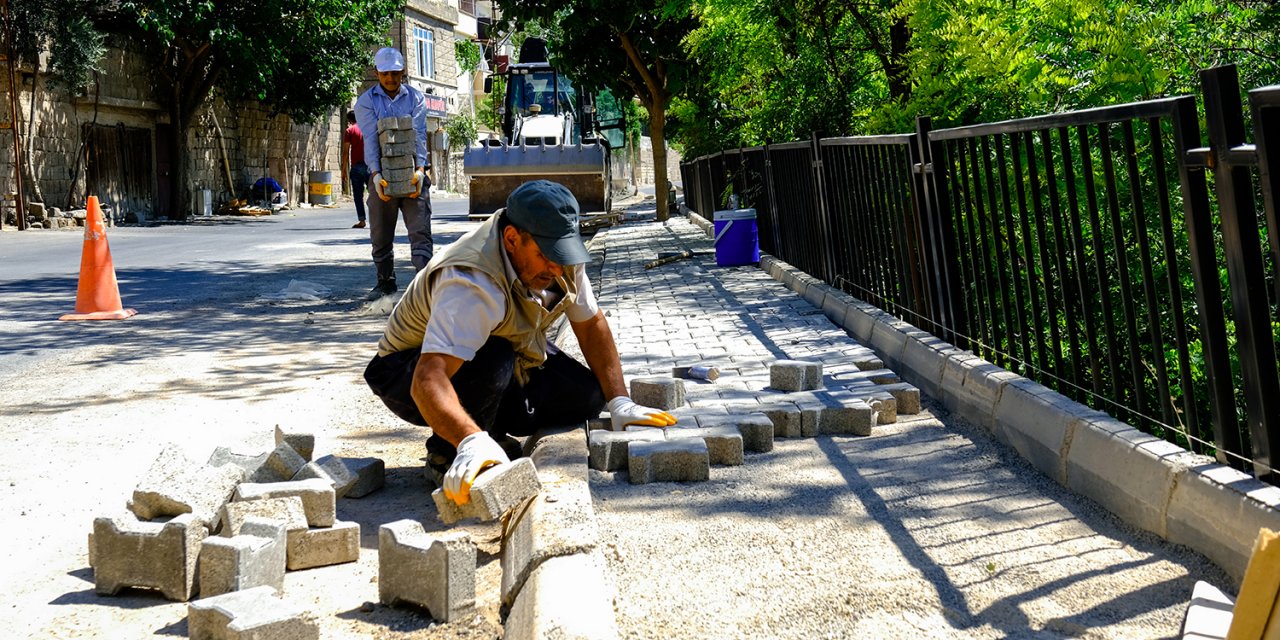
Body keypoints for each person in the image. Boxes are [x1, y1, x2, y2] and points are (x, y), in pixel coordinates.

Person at [364, 180, 677, 506]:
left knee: (586, 395)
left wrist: (619, 402)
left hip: (502, 349)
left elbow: (591, 324)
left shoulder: (561, 257)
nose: (557, 268)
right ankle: (450, 451)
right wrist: (470, 441)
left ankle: (486, 430)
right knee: (495, 356)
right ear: (512, 239)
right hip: (406, 372)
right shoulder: (472, 281)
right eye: (545, 256)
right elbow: (428, 379)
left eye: (563, 254)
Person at [354, 47, 433, 301]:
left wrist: (420, 170)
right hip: (382, 176)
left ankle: (424, 285)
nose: (391, 78)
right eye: (385, 73)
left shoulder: (415, 98)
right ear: (377, 73)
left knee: (420, 231)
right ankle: (385, 282)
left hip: (412, 175)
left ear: (403, 72)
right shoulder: (366, 102)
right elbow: (370, 139)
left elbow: (419, 135)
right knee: (380, 232)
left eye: (396, 73)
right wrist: (376, 176)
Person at [341, 110, 369, 229]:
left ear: (349, 120)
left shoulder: (350, 131)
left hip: (356, 167)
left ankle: (362, 220)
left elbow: (346, 152)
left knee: (358, 196)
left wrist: (343, 170)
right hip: (370, 165)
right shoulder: (368, 128)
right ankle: (380, 220)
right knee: (375, 194)